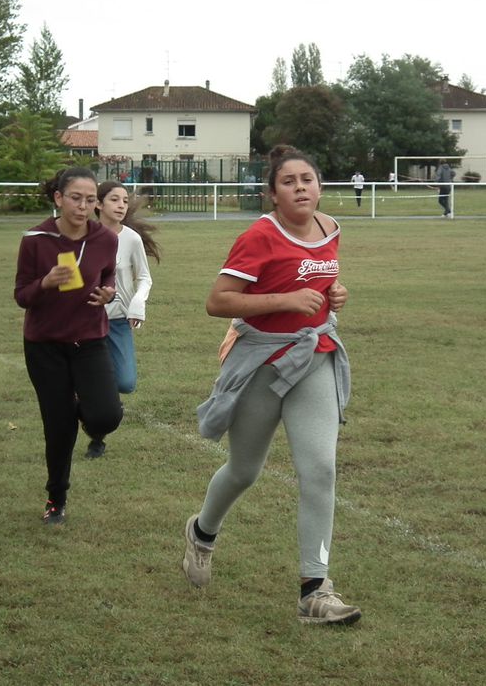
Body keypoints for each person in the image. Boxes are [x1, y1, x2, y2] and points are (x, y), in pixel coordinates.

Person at [181, 144, 361, 625]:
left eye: (308, 179)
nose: (301, 187)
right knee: (244, 470)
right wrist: (285, 299)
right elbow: (218, 302)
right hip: (262, 362)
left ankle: (315, 589)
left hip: (315, 358)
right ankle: (202, 533)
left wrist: (334, 296)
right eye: (289, 181)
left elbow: (321, 288)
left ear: (320, 185)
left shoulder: (330, 229)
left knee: (320, 468)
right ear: (272, 193)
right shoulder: (259, 236)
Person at [14, 167, 121, 525]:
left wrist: (109, 292)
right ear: (58, 198)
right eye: (76, 198)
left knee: (106, 415)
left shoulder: (106, 238)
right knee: (58, 427)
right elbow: (21, 296)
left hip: (90, 340)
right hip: (45, 346)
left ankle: (80, 405)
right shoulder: (35, 239)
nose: (83, 206)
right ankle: (56, 498)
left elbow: (108, 274)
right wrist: (44, 282)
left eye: (91, 200)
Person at [93, 181, 161, 457]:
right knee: (92, 383)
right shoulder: (84, 237)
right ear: (98, 204)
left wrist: (137, 303)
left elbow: (144, 277)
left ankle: (98, 400)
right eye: (114, 200)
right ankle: (97, 437)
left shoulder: (131, 238)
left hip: (119, 320)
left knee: (125, 383)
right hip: (86, 322)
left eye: (124, 200)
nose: (121, 205)